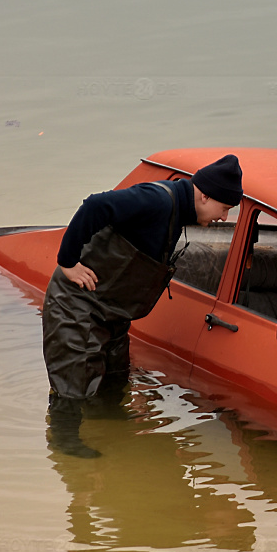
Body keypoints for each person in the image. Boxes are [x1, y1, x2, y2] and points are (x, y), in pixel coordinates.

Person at [43, 154, 243, 457]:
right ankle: (65, 445)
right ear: (204, 195)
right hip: (78, 302)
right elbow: (95, 205)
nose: (225, 217)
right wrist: (67, 262)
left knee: (113, 381)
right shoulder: (157, 201)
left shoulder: (181, 210)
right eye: (225, 208)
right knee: (74, 381)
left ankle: (111, 437)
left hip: (111, 311)